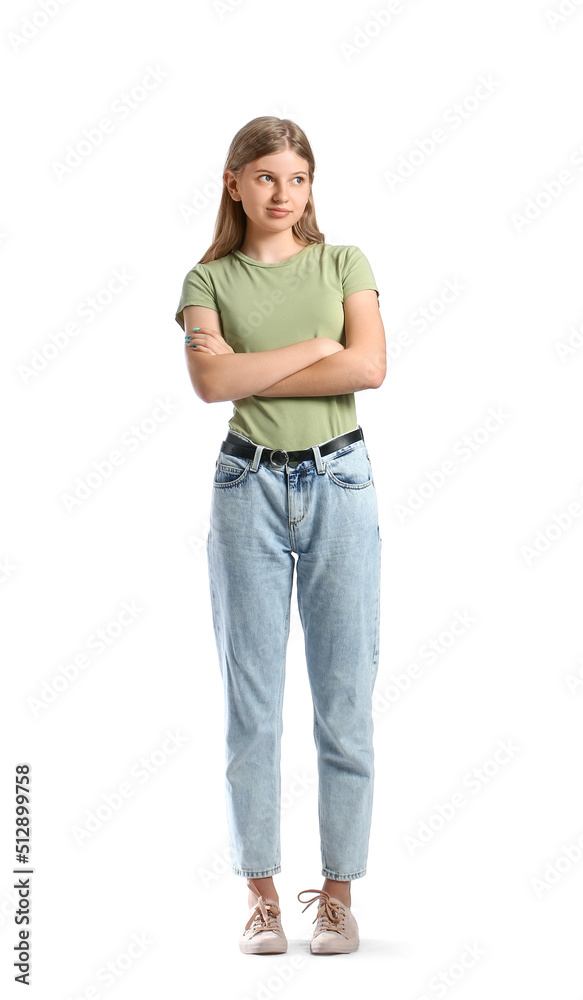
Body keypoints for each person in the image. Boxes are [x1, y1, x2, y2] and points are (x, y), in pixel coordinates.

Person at [174, 116, 386, 955]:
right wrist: (310, 345)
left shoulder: (345, 264)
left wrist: (257, 366)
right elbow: (210, 380)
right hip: (244, 484)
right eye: (264, 177)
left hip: (341, 481)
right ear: (234, 183)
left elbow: (366, 367)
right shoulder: (206, 278)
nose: (282, 193)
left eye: (296, 178)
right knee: (250, 704)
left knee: (344, 701)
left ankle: (336, 895)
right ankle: (260, 895)